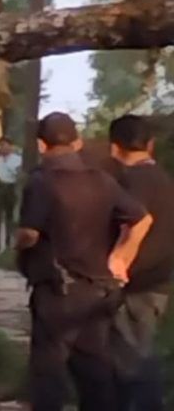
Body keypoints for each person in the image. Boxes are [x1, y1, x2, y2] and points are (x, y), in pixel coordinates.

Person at [17, 112, 154, 411]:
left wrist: (21, 244)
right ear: (78, 142)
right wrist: (120, 258)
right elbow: (142, 219)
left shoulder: (41, 182)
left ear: (41, 145)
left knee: (48, 375)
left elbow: (29, 233)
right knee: (95, 374)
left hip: (57, 293)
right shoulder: (101, 179)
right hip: (99, 292)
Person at [107, 115, 174, 411]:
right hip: (159, 280)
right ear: (150, 144)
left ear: (114, 148)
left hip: (135, 284)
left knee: (133, 364)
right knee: (134, 359)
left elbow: (135, 222)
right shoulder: (164, 179)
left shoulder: (131, 181)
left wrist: (119, 261)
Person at [0, 136, 22, 251]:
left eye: (4, 145)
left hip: (10, 187)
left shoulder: (17, 159)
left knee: (9, 216)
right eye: (0, 145)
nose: (2, 148)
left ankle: (9, 241)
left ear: (10, 146)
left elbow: (17, 174)